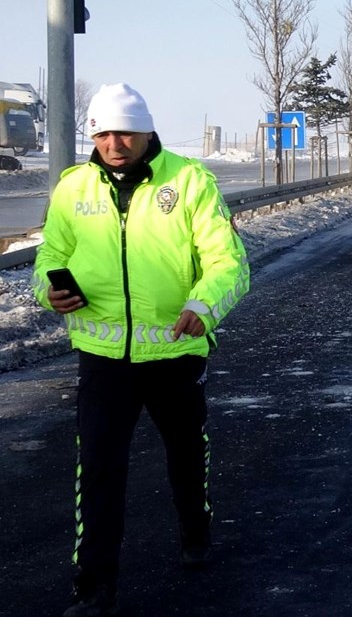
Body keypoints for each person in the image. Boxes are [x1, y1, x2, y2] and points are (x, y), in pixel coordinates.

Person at [33, 83, 250, 617]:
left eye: (124, 131)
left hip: (176, 351)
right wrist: (48, 289)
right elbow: (49, 255)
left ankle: (194, 531)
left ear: (147, 130)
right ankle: (94, 587)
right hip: (103, 358)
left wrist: (204, 305)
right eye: (103, 132)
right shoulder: (72, 188)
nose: (114, 143)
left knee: (184, 453)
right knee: (100, 468)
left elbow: (230, 263)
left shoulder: (190, 180)